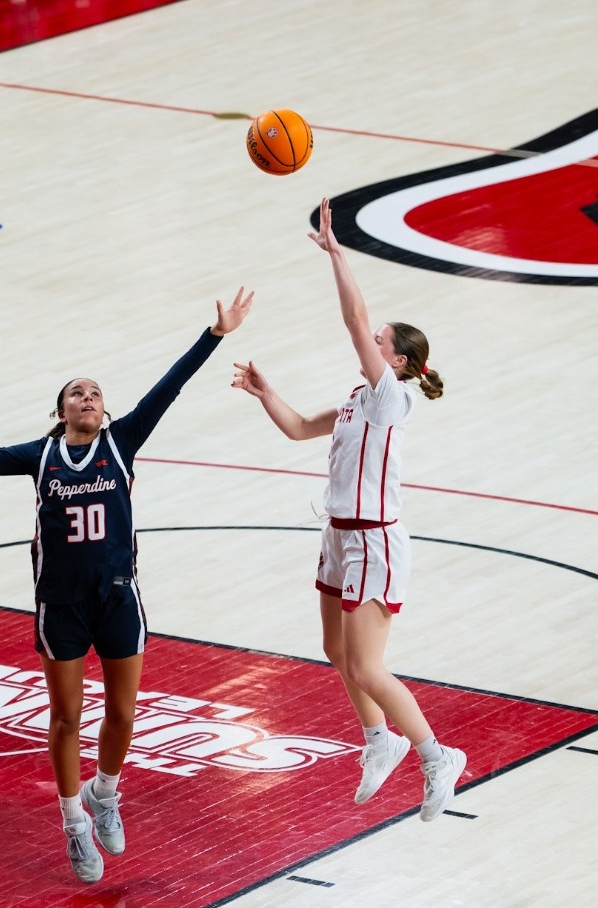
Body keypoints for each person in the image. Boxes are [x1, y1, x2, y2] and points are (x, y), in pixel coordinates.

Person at [0, 288, 253, 884]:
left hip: (117, 595)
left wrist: (214, 336)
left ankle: (104, 791)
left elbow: (171, 386)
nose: (86, 397)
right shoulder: (40, 457)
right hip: (59, 604)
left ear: (104, 411)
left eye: (95, 393)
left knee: (124, 712)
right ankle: (72, 823)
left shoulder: (122, 441)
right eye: (75, 393)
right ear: (60, 412)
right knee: (65, 719)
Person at [230, 198, 466, 822]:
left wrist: (337, 254)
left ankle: (438, 756)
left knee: (367, 663)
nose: (372, 338)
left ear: (399, 362)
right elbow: (301, 428)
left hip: (375, 542)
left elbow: (355, 317)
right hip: (338, 537)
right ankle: (378, 741)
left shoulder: (392, 398)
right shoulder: (360, 397)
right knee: (337, 654)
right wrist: (264, 392)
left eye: (382, 341)